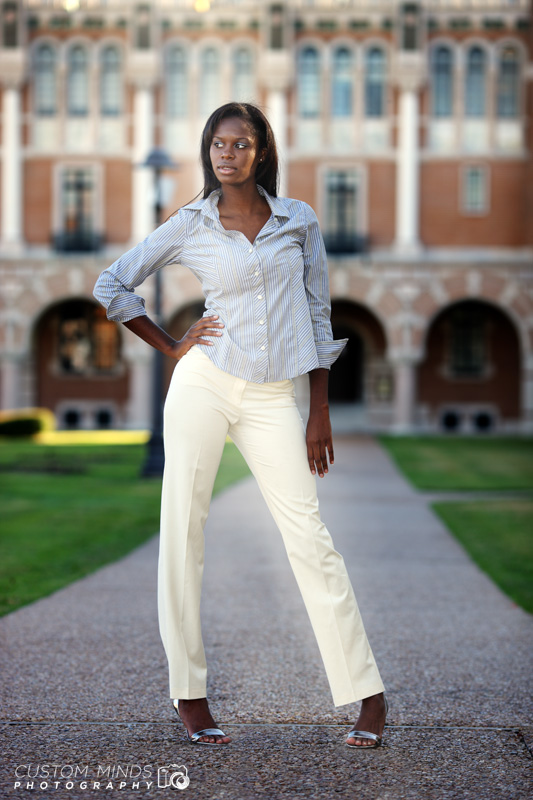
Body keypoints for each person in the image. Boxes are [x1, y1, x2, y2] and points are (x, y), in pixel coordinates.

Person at [94, 102, 387, 748]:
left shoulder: (298, 221)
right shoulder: (191, 223)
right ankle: (189, 693)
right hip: (204, 380)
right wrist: (173, 346)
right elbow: (112, 284)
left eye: (241, 144)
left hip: (274, 395)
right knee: (183, 531)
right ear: (208, 154)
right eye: (218, 145)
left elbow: (316, 315)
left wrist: (318, 411)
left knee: (310, 538)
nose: (227, 154)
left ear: (262, 152)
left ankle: (366, 694)